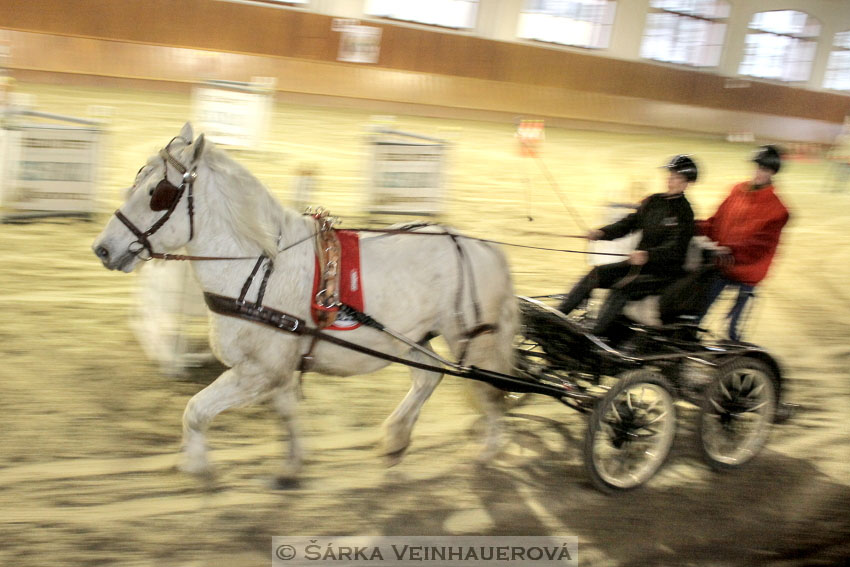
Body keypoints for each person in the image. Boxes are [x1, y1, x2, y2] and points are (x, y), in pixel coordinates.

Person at [557, 155, 697, 337]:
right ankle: (558, 317)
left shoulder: (685, 213)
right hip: (637, 265)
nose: (671, 180)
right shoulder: (654, 201)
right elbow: (628, 223)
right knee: (595, 274)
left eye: (677, 177)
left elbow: (675, 248)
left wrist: (648, 255)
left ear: (687, 183)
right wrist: (601, 233)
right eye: (670, 175)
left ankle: (596, 336)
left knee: (622, 287)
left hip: (661, 273)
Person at [696, 145, 790, 341]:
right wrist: (694, 227)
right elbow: (716, 221)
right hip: (722, 263)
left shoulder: (778, 210)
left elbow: (758, 246)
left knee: (731, 330)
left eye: (764, 169)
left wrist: (727, 251)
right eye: (757, 167)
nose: (758, 172)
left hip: (747, 272)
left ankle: (734, 362)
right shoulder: (737, 191)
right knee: (698, 313)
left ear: (773, 172)